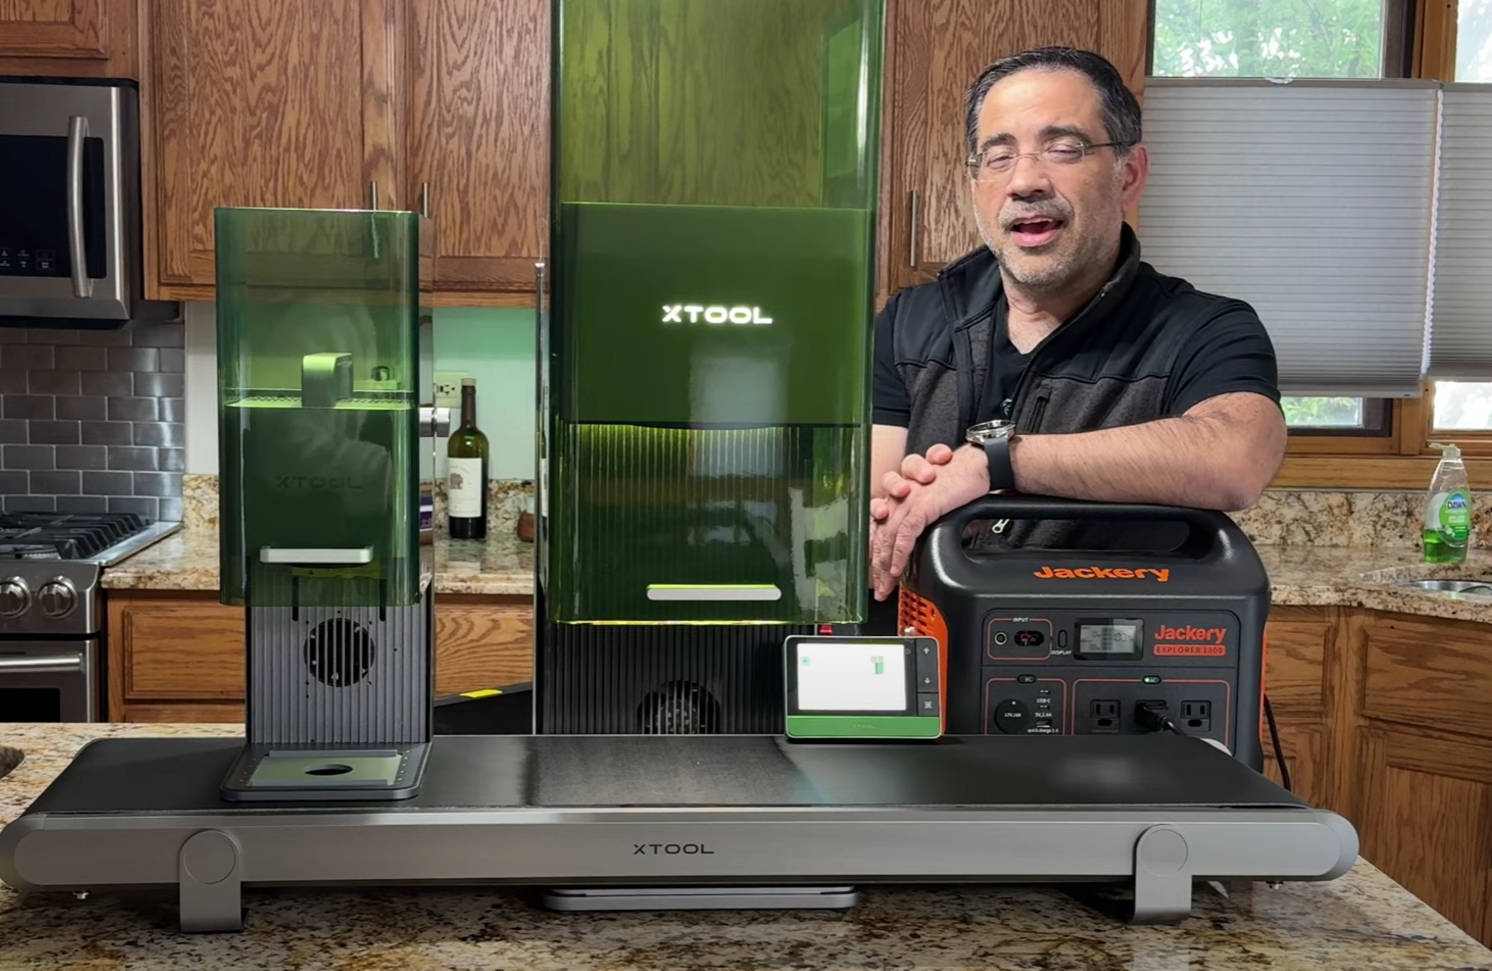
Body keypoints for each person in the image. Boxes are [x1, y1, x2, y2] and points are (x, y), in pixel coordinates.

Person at [868, 47, 1287, 601]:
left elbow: (1236, 460)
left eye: (1063, 149)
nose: (1025, 181)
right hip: (925, 641)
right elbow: (876, 505)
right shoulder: (909, 322)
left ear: (1128, 176)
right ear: (975, 183)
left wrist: (996, 462)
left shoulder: (1206, 329)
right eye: (998, 156)